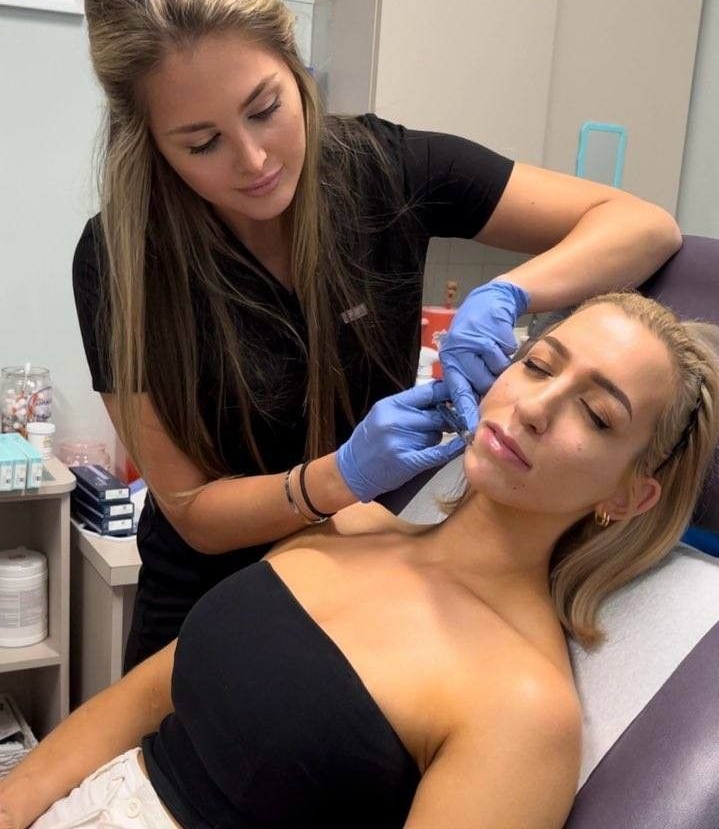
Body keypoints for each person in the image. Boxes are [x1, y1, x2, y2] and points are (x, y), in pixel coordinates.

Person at [72, 0, 682, 670]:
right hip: (204, 602)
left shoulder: (385, 170)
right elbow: (191, 511)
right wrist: (339, 476)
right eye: (202, 143)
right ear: (150, 143)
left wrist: (509, 293)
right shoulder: (121, 259)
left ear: (295, 68)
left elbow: (643, 224)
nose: (254, 161)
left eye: (265, 109)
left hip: (362, 574)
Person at [2, 293, 718, 829]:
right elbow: (143, 700)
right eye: (537, 364)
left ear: (626, 497)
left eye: (595, 416)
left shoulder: (521, 709)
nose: (536, 406)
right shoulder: (350, 523)